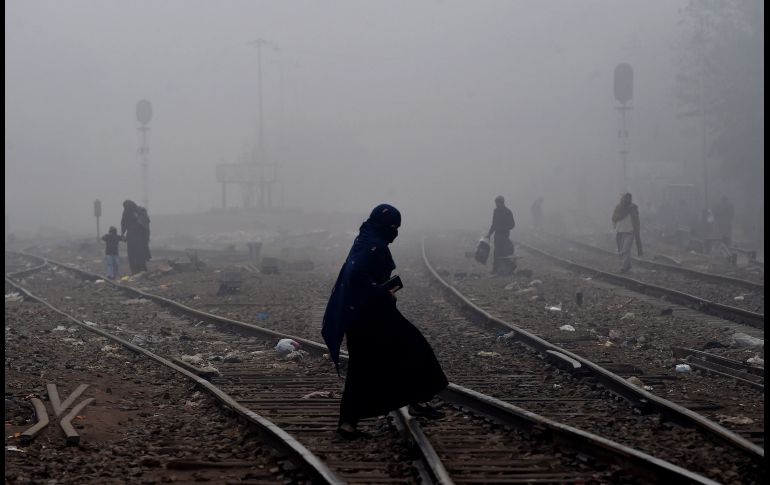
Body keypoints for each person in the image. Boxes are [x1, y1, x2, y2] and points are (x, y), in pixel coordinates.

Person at [322, 204, 448, 440]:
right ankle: (417, 401)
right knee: (413, 348)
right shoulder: (373, 245)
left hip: (360, 315)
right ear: (384, 225)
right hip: (368, 315)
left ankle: (348, 424)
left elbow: (357, 274)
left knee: (363, 368)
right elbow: (356, 274)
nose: (395, 232)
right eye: (393, 227)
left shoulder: (365, 238)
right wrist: (382, 292)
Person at [612, 193, 643, 273]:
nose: (627, 200)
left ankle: (623, 267)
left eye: (629, 198)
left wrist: (637, 229)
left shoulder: (633, 208)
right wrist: (614, 226)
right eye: (626, 198)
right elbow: (614, 217)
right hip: (620, 232)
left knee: (625, 250)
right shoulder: (619, 207)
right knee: (621, 250)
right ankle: (628, 265)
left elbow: (636, 220)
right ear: (623, 198)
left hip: (630, 232)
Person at [486, 196, 515, 275]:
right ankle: (496, 269)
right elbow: (494, 224)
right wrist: (489, 233)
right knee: (496, 252)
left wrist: (503, 228)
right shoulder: (496, 211)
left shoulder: (507, 212)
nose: (496, 205)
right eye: (496, 203)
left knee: (503, 253)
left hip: (504, 235)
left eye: (497, 203)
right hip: (497, 235)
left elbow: (512, 225)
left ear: (501, 203)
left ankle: (508, 267)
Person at [121, 200, 151, 274]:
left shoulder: (140, 211)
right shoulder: (126, 212)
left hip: (140, 237)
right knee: (132, 257)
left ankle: (143, 272)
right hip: (131, 238)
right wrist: (123, 234)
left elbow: (144, 223)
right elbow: (123, 223)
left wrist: (137, 221)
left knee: (140, 256)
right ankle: (134, 272)